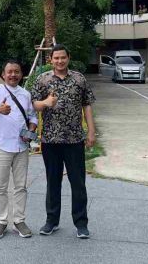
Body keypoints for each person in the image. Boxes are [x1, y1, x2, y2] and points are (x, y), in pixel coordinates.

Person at [32, 44, 96, 239]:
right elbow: (33, 104)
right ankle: (52, 221)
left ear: (69, 58)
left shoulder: (79, 79)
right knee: (53, 182)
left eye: (63, 58)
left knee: (78, 182)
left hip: (74, 139)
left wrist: (91, 131)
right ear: (50, 59)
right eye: (56, 58)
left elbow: (87, 105)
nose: (60, 61)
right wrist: (45, 103)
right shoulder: (42, 79)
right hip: (51, 140)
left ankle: (81, 223)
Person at [0, 59, 38, 239]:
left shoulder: (26, 94)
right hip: (2, 146)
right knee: (1, 186)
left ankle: (19, 220)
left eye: (16, 71)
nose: (13, 75)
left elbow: (33, 117)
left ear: (21, 74)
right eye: (9, 72)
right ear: (3, 74)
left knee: (21, 186)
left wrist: (30, 132)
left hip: (21, 147)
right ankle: (1, 221)